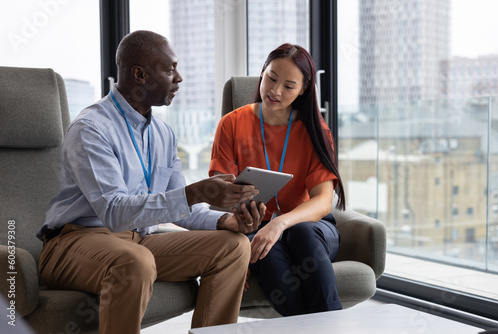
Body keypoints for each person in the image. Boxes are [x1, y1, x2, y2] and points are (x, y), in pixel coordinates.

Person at [36, 30, 266, 334]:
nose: (179, 78)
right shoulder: (91, 128)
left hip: (139, 240)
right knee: (135, 260)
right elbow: (115, 212)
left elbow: (179, 206)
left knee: (233, 246)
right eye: (170, 69)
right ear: (140, 75)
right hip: (74, 242)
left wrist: (226, 221)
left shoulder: (163, 133)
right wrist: (195, 192)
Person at [209, 43, 346, 316]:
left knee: (301, 232)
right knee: (263, 248)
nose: (275, 91)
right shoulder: (231, 124)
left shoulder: (316, 131)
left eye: (288, 85)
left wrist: (280, 224)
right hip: (254, 228)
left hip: (311, 230)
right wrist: (237, 250)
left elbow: (322, 201)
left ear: (303, 90)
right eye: (271, 78)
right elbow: (219, 195)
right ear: (262, 72)